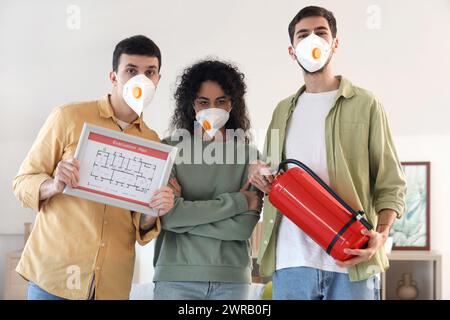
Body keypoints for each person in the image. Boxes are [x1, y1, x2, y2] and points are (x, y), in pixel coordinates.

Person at [249, 6, 407, 300]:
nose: (312, 40)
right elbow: (274, 180)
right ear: (292, 50)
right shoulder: (282, 110)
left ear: (335, 43)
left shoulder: (366, 104)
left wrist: (381, 235)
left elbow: (391, 184)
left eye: (321, 33)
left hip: (352, 260)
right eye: (303, 35)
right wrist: (260, 175)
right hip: (291, 261)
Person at [12, 35, 174, 300]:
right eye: (131, 70)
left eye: (150, 72)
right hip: (53, 279)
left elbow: (140, 224)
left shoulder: (153, 143)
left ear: (157, 80)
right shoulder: (68, 117)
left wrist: (154, 209)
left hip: (110, 286)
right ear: (113, 77)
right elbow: (21, 183)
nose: (141, 80)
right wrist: (53, 184)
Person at [153, 60, 263, 300]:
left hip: (232, 281)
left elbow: (243, 228)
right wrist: (238, 202)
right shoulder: (170, 149)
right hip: (175, 278)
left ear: (232, 104)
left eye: (220, 101)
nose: (212, 108)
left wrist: (186, 214)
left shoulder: (250, 156)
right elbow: (169, 217)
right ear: (192, 104)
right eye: (204, 102)